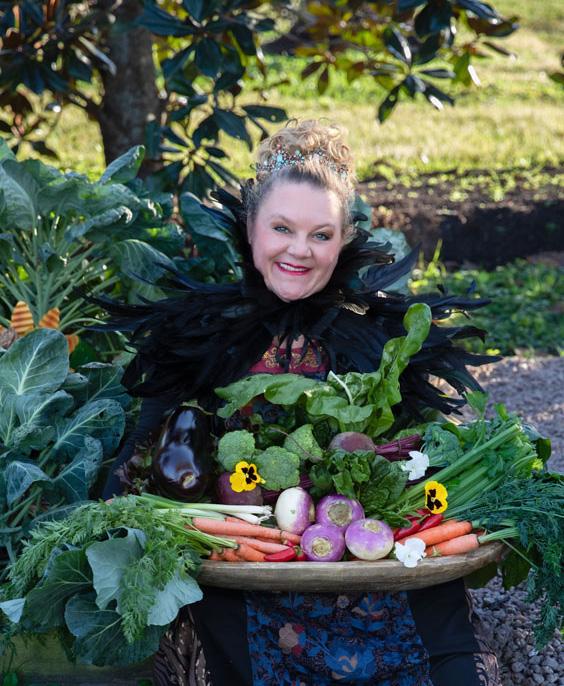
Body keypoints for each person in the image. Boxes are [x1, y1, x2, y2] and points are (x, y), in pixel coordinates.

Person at [101, 120, 500, 685]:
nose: (298, 250)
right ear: (250, 228)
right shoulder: (200, 334)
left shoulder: (380, 338)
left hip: (369, 563)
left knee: (449, 656)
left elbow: (422, 459)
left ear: (344, 240)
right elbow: (144, 452)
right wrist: (125, 511)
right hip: (246, 569)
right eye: (282, 228)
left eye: (321, 234)